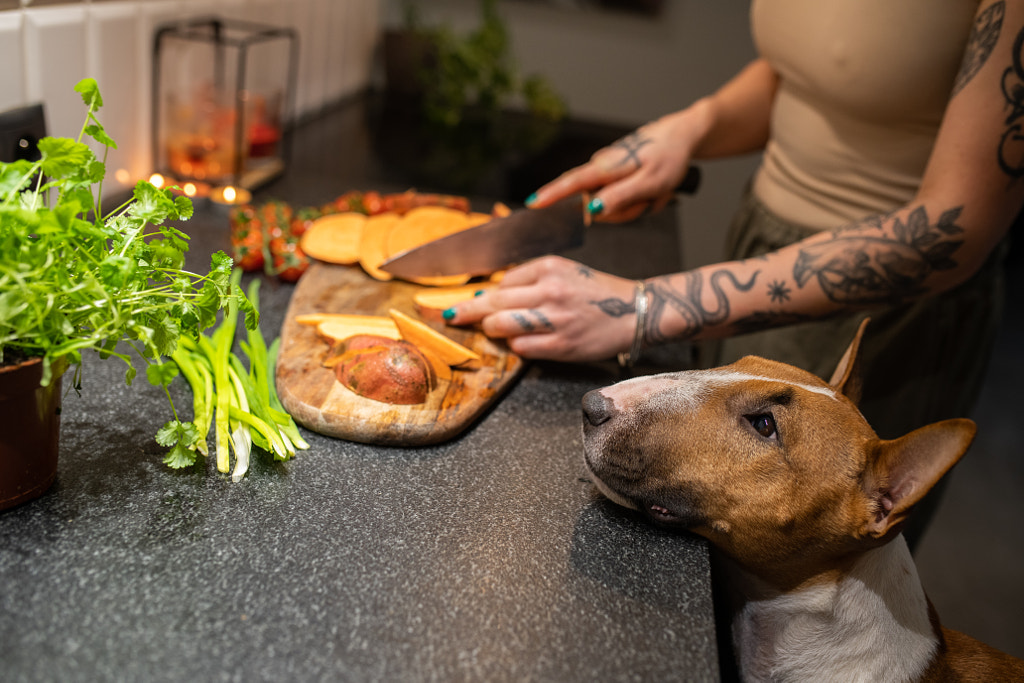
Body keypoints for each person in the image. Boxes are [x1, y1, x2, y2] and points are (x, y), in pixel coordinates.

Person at [445, 1, 1023, 547]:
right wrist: (695, 126)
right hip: (760, 245)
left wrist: (646, 307)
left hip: (879, 304)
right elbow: (810, 71)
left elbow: (956, 228)